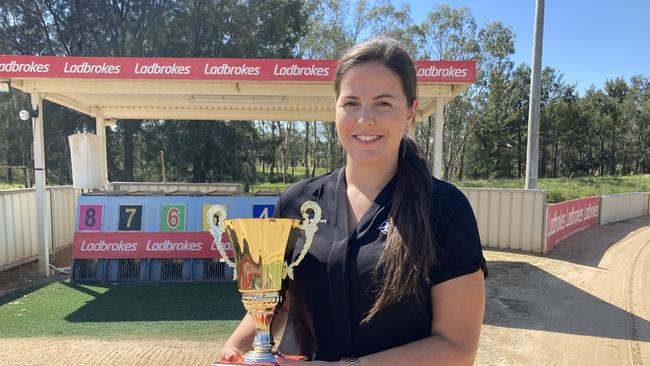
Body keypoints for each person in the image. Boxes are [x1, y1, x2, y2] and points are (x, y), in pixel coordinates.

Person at [220, 37, 487, 366]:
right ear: (335, 109)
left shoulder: (444, 208)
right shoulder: (295, 203)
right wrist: (234, 348)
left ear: (411, 111)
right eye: (351, 103)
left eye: (383, 103)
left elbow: (457, 348)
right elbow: (278, 304)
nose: (365, 118)